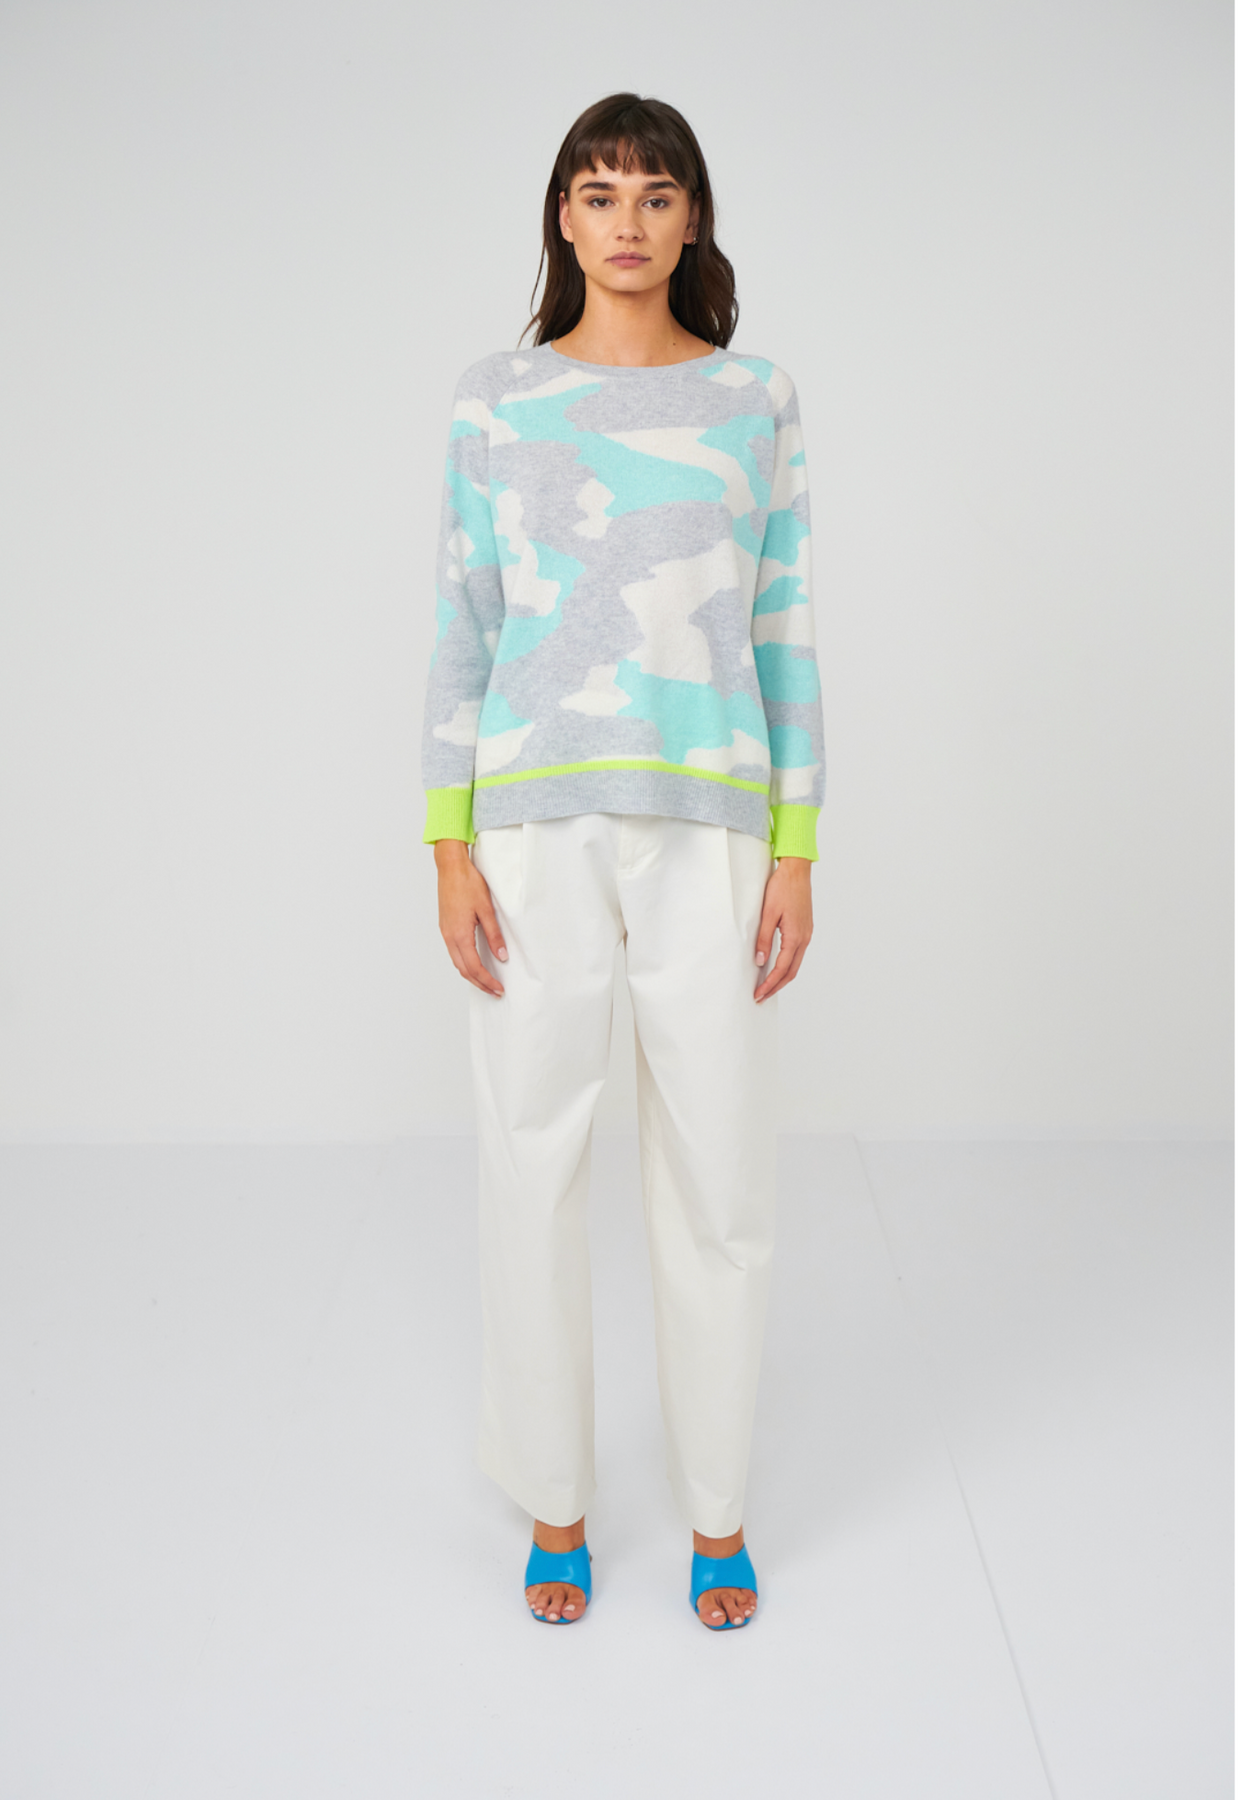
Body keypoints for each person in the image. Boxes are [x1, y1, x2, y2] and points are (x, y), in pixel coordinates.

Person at [420, 92, 824, 1630]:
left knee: (719, 1177)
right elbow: (462, 625)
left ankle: (717, 1510)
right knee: (531, 1162)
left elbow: (784, 629)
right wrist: (446, 843)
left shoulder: (756, 399)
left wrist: (797, 846)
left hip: (712, 828)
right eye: (600, 194)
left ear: (693, 216)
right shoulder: (496, 402)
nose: (629, 221)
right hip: (532, 827)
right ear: (564, 219)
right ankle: (556, 1500)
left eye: (656, 194)